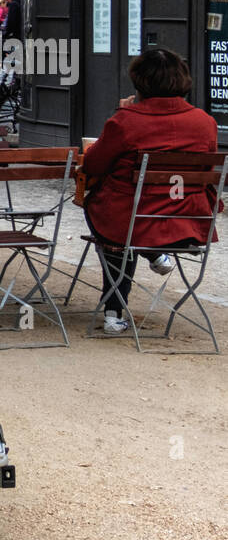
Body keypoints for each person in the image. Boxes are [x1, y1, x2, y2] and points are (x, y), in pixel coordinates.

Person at [80, 48, 219, 334]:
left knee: (105, 209)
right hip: (188, 223)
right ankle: (153, 254)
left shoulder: (126, 120)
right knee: (125, 218)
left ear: (140, 82)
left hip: (130, 223)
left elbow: (93, 164)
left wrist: (122, 112)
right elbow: (207, 177)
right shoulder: (206, 123)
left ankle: (114, 310)